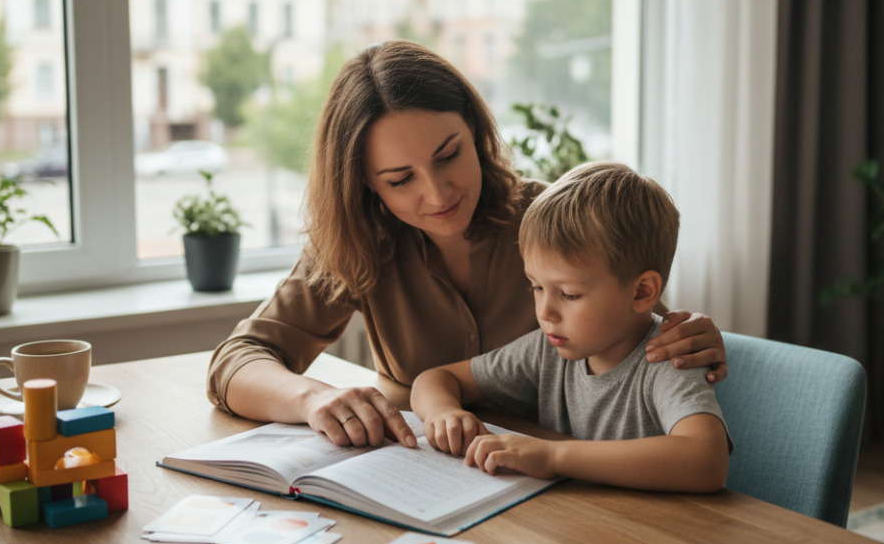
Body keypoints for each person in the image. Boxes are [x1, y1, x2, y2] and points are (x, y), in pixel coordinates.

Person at [206, 40, 729, 449]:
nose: (438, 194)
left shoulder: (551, 223)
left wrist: (689, 341)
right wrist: (313, 398)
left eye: (449, 155)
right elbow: (236, 362)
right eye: (399, 179)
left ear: (475, 133)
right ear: (364, 183)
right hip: (421, 476)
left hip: (548, 484)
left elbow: (640, 337)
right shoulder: (356, 242)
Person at [410, 161, 731, 492]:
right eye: (536, 287)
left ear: (642, 291)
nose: (545, 311)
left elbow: (707, 461)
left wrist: (552, 456)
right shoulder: (548, 348)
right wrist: (443, 412)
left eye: (569, 294)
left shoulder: (668, 359)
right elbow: (434, 379)